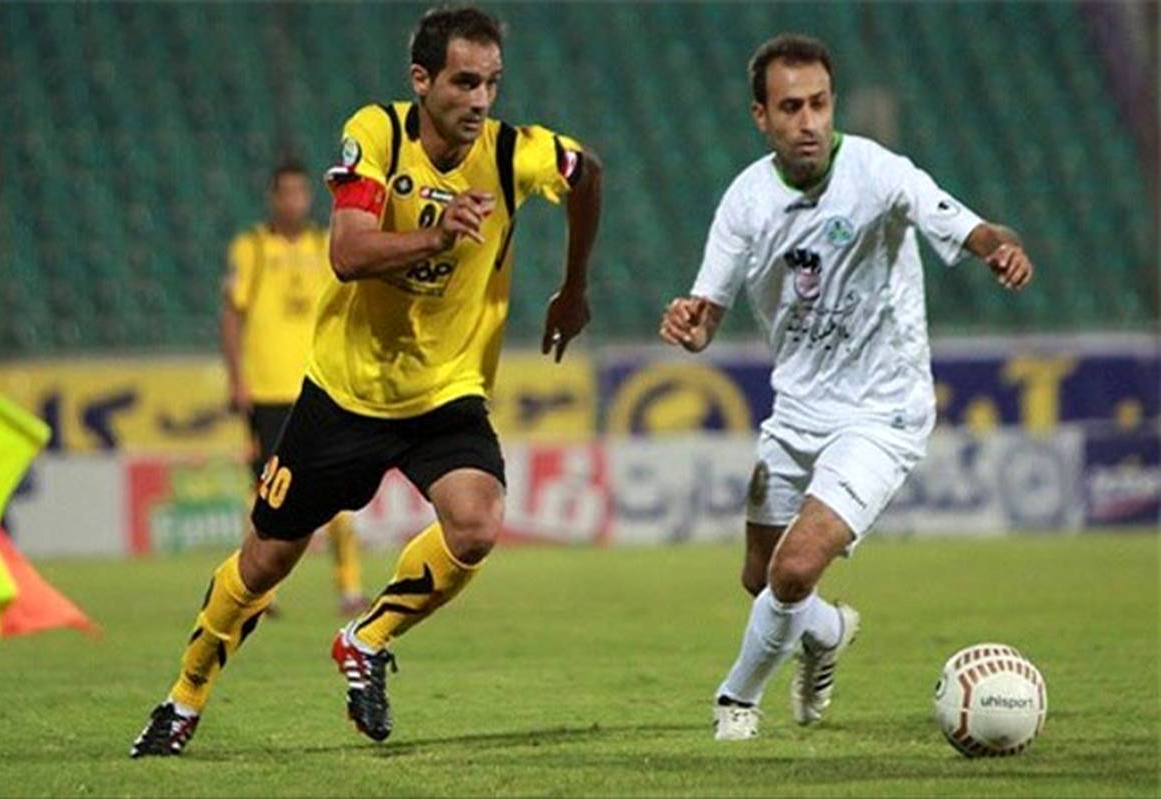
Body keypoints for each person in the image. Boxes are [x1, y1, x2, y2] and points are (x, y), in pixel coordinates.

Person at [131, 5, 602, 757]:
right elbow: (348, 254)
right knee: (265, 560)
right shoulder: (378, 133)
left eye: (492, 83)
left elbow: (588, 174)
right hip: (345, 393)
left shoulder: (515, 152)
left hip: (445, 391)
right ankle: (183, 699)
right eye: (464, 82)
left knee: (477, 523)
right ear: (422, 80)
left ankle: (367, 637)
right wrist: (438, 233)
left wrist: (573, 288)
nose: (481, 100)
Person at [658, 33, 1034, 741]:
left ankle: (736, 701)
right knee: (762, 578)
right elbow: (706, 315)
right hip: (798, 410)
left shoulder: (877, 172)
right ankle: (828, 632)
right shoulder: (746, 201)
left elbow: (972, 226)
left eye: (819, 104)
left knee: (794, 568)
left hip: (882, 412)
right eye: (790, 107)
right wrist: (688, 322)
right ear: (760, 116)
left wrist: (1000, 249)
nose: (808, 122)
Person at [220, 160, 370, 618]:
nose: (294, 201)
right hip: (267, 390)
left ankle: (350, 588)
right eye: (285, 193)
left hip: (319, 386)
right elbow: (231, 315)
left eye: (301, 193)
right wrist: (237, 378)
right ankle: (258, 591)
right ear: (273, 197)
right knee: (267, 494)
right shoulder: (251, 248)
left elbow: (347, 310)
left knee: (338, 491)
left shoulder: (326, 245)